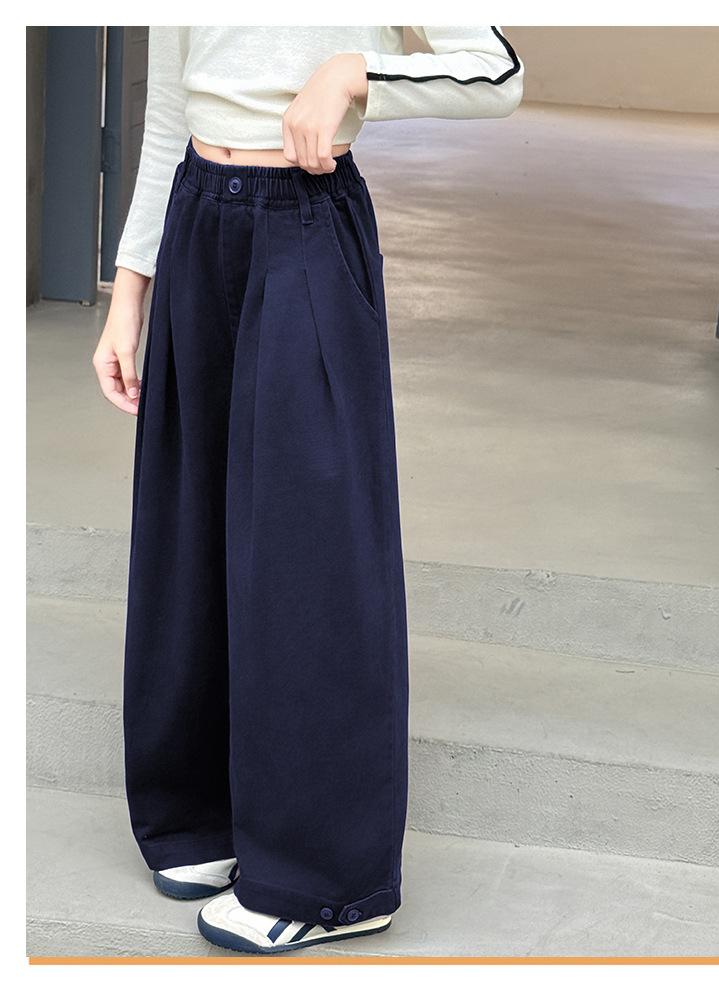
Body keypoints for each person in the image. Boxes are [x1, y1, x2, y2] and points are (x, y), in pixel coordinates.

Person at [92, 26, 523, 956]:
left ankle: (330, 879)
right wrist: (130, 292)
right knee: (188, 527)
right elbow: (169, 109)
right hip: (197, 215)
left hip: (307, 219)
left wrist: (356, 73)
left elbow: (497, 73)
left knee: (307, 551)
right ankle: (201, 811)